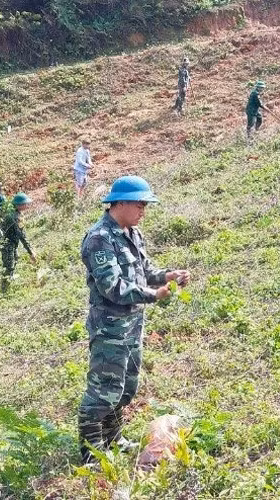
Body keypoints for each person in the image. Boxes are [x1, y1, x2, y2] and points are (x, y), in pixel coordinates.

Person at [78, 176, 191, 464]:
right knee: (103, 391)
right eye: (140, 204)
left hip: (132, 325)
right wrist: (155, 294)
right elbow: (112, 286)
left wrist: (168, 276)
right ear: (121, 203)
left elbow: (145, 270)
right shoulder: (99, 238)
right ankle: (91, 454)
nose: (143, 210)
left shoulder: (131, 233)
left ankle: (113, 438)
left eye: (145, 205)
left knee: (126, 387)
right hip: (110, 328)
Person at [0, 193, 37, 291]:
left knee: (15, 258)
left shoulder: (14, 213)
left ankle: (9, 279)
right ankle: (4, 288)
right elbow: (22, 236)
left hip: (10, 242)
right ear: (19, 205)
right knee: (9, 265)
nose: (27, 206)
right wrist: (30, 252)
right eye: (25, 204)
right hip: (7, 243)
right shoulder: (15, 217)